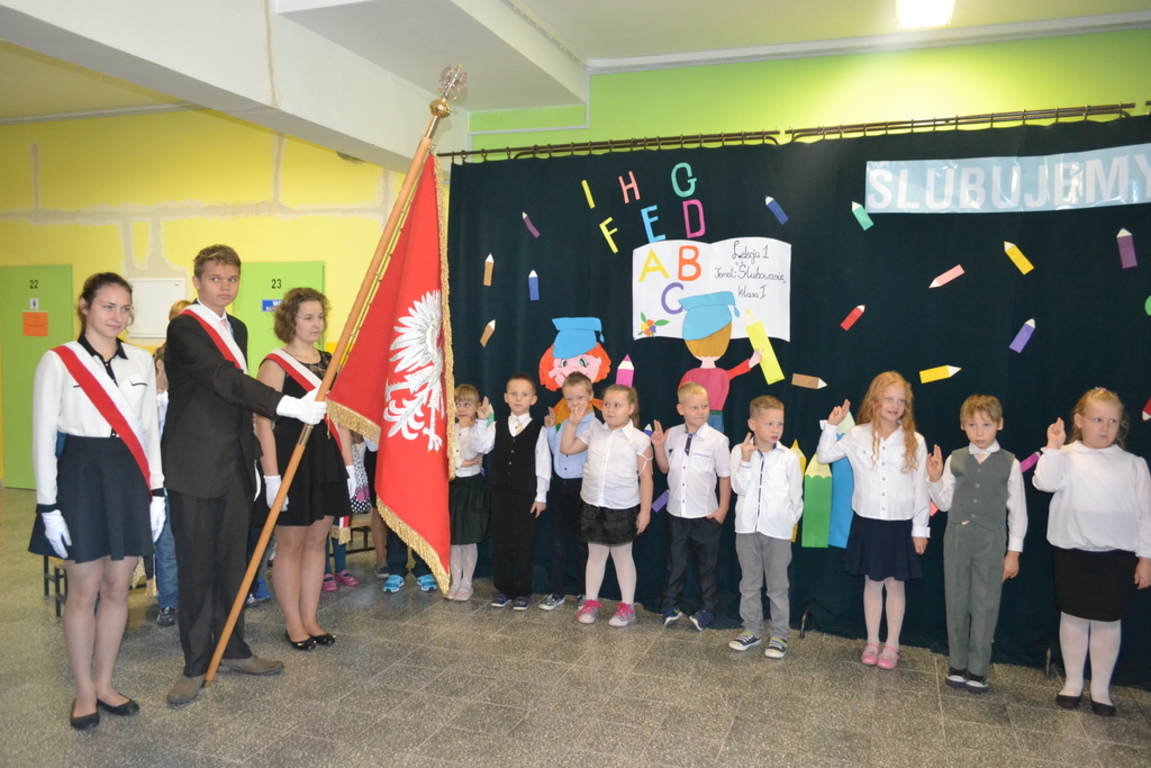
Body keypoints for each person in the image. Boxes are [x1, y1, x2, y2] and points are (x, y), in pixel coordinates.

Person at [162, 244, 327, 706]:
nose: (225, 287)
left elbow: (236, 399)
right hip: (195, 465)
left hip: (235, 463)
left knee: (233, 564)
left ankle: (232, 649)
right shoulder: (184, 328)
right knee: (198, 567)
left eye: (232, 279)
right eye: (215, 278)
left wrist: (255, 461)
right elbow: (223, 380)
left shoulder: (236, 327)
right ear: (197, 281)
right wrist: (287, 405)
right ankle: (195, 665)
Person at [30, 272, 165, 730]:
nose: (118, 316)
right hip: (81, 478)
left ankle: (105, 683)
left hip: (128, 476)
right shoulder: (58, 361)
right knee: (84, 589)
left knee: (117, 588)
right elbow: (43, 437)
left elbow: (149, 431)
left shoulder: (141, 361)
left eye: (125, 308)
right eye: (108, 306)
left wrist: (157, 491)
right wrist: (48, 505)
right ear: (85, 306)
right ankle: (84, 690)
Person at [1033, 388, 1151, 716]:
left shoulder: (1132, 465)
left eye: (1112, 421)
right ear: (1079, 421)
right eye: (1097, 420)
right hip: (1073, 553)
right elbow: (1044, 483)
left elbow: (1146, 515)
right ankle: (1073, 682)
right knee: (1072, 617)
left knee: (1107, 622)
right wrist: (1053, 447)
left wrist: (1146, 558)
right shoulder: (1065, 455)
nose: (1105, 427)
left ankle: (1100, 687)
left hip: (1116, 557)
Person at [254, 287, 354, 650]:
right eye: (308, 317)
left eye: (320, 317)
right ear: (290, 321)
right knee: (291, 545)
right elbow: (262, 422)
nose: (317, 324)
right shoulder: (275, 364)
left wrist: (349, 466)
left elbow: (340, 418)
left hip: (325, 461)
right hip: (290, 461)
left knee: (316, 543)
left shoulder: (330, 362)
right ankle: (293, 623)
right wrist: (271, 477)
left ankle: (311, 618)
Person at [817, 371, 929, 671]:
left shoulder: (915, 441)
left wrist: (920, 529)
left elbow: (921, 488)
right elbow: (824, 456)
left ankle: (892, 644)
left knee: (895, 584)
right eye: (888, 399)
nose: (894, 406)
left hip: (900, 524)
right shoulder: (857, 435)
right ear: (875, 401)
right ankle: (871, 641)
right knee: (872, 582)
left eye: (900, 401)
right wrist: (832, 425)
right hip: (868, 522)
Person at [927, 394, 1027, 693]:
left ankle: (978, 669)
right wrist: (934, 479)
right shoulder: (955, 458)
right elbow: (944, 503)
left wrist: (1014, 552)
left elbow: (1018, 511)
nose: (979, 431)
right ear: (963, 426)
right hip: (957, 537)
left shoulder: (1010, 463)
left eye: (986, 424)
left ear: (999, 424)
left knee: (985, 603)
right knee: (956, 598)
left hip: (991, 540)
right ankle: (957, 664)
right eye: (972, 425)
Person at [560, 385, 654, 626]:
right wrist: (572, 424)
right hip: (592, 504)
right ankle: (591, 602)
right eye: (607, 404)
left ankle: (627, 606)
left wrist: (645, 511)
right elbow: (566, 448)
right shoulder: (594, 430)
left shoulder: (639, 439)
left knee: (622, 557)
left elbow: (646, 478)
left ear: (630, 408)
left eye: (617, 405)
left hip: (622, 507)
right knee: (595, 555)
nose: (611, 410)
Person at [651, 381, 732, 631]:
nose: (701, 411)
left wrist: (722, 510)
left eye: (704, 406)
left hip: (705, 515)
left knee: (707, 567)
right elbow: (664, 468)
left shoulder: (718, 440)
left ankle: (707, 608)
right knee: (675, 563)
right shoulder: (672, 434)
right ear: (681, 409)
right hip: (676, 512)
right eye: (694, 407)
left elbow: (725, 476)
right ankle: (670, 605)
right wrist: (658, 447)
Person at [728, 396, 803, 659]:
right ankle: (752, 629)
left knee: (778, 586)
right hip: (747, 530)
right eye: (769, 423)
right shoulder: (739, 451)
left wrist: (787, 521)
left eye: (779, 423)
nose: (775, 429)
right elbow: (738, 487)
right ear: (753, 424)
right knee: (749, 584)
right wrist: (746, 461)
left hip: (778, 533)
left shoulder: (789, 458)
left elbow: (796, 497)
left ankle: (780, 635)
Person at [472, 374, 551, 610]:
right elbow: (480, 446)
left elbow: (543, 465)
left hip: (526, 495)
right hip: (500, 494)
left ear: (533, 399)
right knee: (501, 541)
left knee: (523, 542)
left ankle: (522, 590)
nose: (518, 398)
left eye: (524, 394)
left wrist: (541, 496)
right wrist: (480, 422)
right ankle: (503, 588)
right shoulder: (496, 426)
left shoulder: (538, 430)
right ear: (506, 397)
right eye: (514, 394)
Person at [539, 372, 598, 610]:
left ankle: (584, 592)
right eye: (569, 399)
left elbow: (570, 449)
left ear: (591, 396)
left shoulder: (594, 426)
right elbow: (557, 450)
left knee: (583, 544)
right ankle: (557, 591)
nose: (575, 404)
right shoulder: (566, 423)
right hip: (560, 487)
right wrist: (551, 430)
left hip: (581, 488)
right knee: (558, 543)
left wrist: (571, 425)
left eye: (580, 398)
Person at [676, 291, 761, 431]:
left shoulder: (718, 374)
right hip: (696, 417)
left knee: (714, 441)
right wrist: (752, 361)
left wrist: (752, 361)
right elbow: (682, 395)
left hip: (714, 417)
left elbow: (735, 371)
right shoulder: (695, 374)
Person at [446, 384, 490, 601]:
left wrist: (464, 430)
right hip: (454, 486)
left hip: (473, 487)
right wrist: (460, 462)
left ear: (477, 407)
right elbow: (446, 456)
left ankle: (467, 583)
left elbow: (474, 450)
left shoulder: (479, 430)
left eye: (467, 404)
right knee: (454, 539)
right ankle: (455, 581)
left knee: (468, 538)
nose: (461, 408)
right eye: (457, 404)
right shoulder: (448, 429)